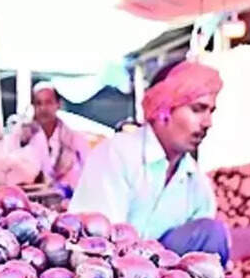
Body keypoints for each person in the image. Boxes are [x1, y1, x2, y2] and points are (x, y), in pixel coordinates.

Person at [67, 60, 229, 264]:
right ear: (164, 109)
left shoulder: (196, 182)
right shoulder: (116, 154)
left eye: (211, 111)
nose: (207, 123)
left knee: (211, 232)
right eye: (197, 109)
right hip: (108, 277)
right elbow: (94, 240)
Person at [3, 82, 90, 195]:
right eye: (38, 103)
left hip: (67, 200)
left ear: (58, 104)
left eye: (48, 102)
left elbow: (89, 170)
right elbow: (7, 164)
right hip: (29, 199)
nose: (43, 108)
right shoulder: (20, 135)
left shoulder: (74, 138)